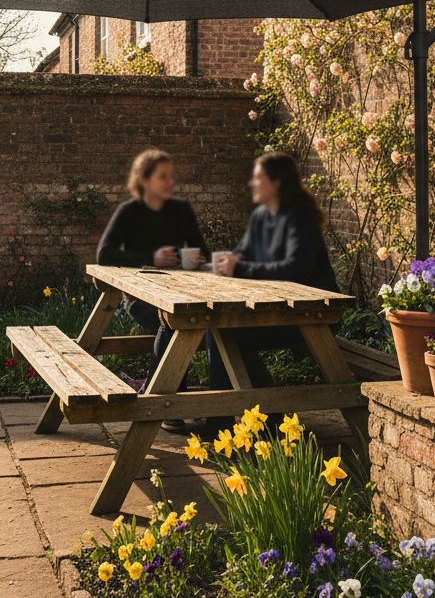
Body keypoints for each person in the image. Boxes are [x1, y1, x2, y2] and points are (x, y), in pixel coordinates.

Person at [96, 149, 209, 433]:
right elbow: (104, 255)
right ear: (144, 180)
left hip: (182, 291)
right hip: (140, 297)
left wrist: (192, 258)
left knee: (190, 319)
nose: (170, 181)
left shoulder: (181, 210)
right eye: (163, 176)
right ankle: (165, 402)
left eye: (171, 176)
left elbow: (202, 250)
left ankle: (187, 404)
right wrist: (150, 258)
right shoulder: (129, 212)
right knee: (170, 321)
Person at [209, 151, 338, 392]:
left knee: (226, 334)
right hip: (280, 309)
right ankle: (251, 409)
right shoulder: (260, 216)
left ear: (276, 183)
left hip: (312, 313)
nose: (251, 183)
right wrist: (229, 261)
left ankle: (243, 413)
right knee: (218, 328)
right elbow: (242, 252)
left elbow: (295, 270)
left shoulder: (300, 218)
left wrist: (239, 267)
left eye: (257, 178)